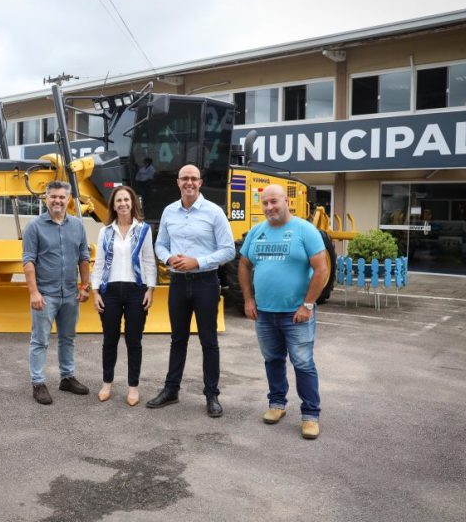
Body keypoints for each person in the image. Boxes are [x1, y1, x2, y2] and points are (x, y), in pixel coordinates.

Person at [237, 184, 329, 439]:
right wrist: (248, 299)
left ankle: (310, 416)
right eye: (265, 203)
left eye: (274, 202)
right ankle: (277, 404)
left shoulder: (305, 230)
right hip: (264, 314)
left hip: (296, 314)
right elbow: (244, 265)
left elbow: (321, 270)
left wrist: (307, 304)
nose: (269, 207)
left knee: (303, 363)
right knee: (273, 360)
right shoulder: (257, 232)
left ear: (286, 201)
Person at [146, 164, 235, 417]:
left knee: (209, 341)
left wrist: (198, 261)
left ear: (200, 182)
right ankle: (171, 390)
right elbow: (160, 244)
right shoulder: (168, 212)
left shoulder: (214, 212)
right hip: (178, 283)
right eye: (184, 178)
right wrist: (168, 258)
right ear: (178, 182)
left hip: (206, 282)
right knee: (178, 339)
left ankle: (212, 395)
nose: (189, 182)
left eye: (193, 179)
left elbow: (229, 249)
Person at [22, 180, 92, 405]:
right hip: (46, 295)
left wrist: (85, 286)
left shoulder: (78, 226)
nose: (58, 200)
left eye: (62, 197)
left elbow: (83, 258)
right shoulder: (34, 227)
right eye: (53, 196)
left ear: (69, 199)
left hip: (70, 294)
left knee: (68, 338)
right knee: (40, 340)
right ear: (46, 198)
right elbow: (28, 261)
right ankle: (38, 383)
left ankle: (67, 378)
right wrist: (34, 292)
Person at [90, 186, 157, 406]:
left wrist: (150, 289)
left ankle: (133, 387)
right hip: (109, 291)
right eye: (118, 200)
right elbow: (99, 262)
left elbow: (149, 260)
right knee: (109, 340)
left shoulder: (144, 229)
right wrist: (95, 291)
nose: (123, 204)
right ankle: (107, 383)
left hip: (136, 290)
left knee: (133, 341)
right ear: (113, 205)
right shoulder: (105, 231)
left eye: (126, 199)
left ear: (132, 203)